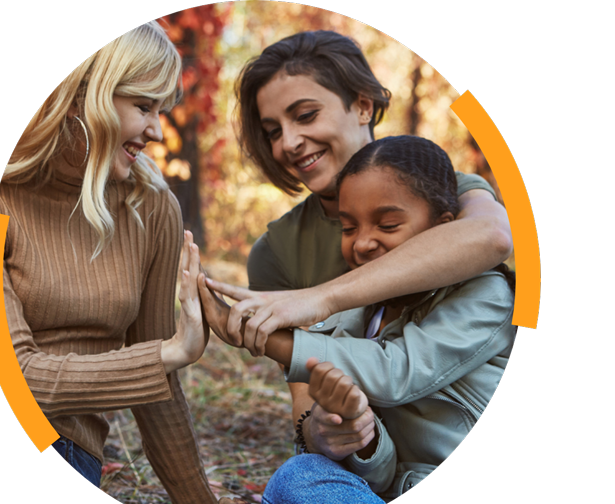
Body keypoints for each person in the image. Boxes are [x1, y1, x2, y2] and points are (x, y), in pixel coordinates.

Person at [205, 29, 513, 466]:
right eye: (274, 130)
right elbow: (307, 407)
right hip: (376, 462)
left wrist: (317, 300)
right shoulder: (276, 251)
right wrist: (331, 431)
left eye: (306, 115)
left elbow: (493, 237)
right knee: (302, 477)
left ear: (363, 105)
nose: (288, 143)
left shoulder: (439, 185)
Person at [199, 135, 515, 504]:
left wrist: (263, 339)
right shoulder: (358, 314)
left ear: (443, 229)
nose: (363, 243)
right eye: (348, 227)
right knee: (303, 476)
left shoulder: (486, 295)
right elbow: (384, 476)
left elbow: (397, 372)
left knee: (289, 490)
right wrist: (358, 434)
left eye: (387, 224)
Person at [0, 22, 216, 504]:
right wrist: (171, 352)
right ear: (84, 96)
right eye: (143, 107)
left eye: (162, 110)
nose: (158, 131)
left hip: (63, 444)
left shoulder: (151, 206)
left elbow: (157, 389)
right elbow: (12, 374)